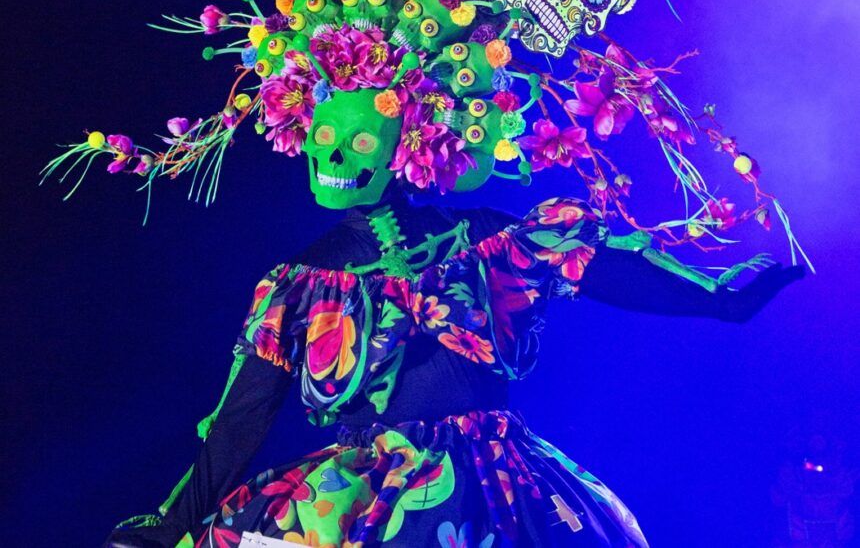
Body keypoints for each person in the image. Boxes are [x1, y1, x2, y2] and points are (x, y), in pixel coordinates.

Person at [107, 168, 802, 548]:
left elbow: (600, 265)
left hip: (498, 480)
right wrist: (169, 524)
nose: (333, 142)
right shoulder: (301, 282)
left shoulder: (487, 237)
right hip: (370, 495)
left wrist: (719, 297)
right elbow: (239, 420)